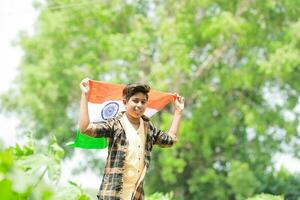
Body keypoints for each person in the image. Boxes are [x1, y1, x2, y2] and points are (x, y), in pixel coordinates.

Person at [79, 78, 185, 200]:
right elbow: (85, 128)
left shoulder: (148, 128)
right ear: (125, 102)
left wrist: (178, 112)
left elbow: (170, 140)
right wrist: (85, 95)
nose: (139, 105)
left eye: (143, 102)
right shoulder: (115, 125)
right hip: (112, 195)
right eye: (135, 101)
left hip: (135, 195)